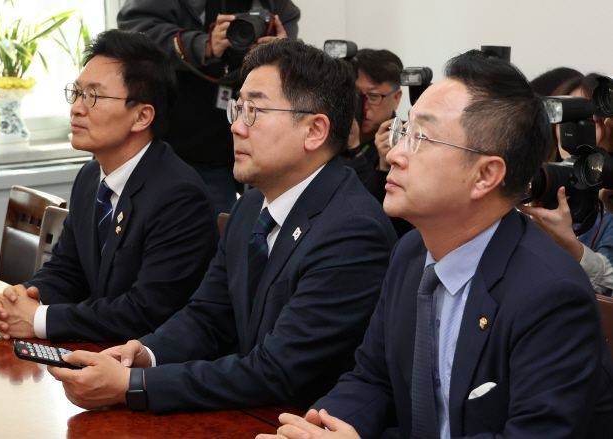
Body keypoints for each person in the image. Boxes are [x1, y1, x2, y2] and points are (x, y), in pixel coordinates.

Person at [258, 50, 613, 439]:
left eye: (420, 138)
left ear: (486, 175)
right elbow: (372, 378)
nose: (395, 154)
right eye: (403, 131)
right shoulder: (410, 253)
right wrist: (318, 429)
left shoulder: (550, 294)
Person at [47, 39, 397, 413]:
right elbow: (208, 316)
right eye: (237, 109)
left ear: (314, 130)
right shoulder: (250, 206)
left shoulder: (352, 232)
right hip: (246, 412)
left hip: (299, 422)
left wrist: (134, 385)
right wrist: (146, 353)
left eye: (255, 111)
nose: (236, 128)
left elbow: (276, 371)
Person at [0, 30, 218, 342]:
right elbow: (68, 270)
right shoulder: (89, 177)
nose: (76, 108)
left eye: (93, 96)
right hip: (98, 351)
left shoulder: (179, 196)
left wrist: (39, 319)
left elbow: (145, 312)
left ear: (142, 116)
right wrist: (21, 300)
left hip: (146, 362)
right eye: (76, 93)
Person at [117, 0, 301, 215]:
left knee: (224, 228)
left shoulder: (278, 6)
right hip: (166, 146)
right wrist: (202, 45)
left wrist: (280, 54)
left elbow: (292, 57)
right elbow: (133, 31)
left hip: (229, 154)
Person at [521, 73, 613, 295]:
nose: (573, 132)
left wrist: (571, 247)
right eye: (565, 122)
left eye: (590, 123)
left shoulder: (607, 207)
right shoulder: (538, 182)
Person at [341, 49, 412, 237]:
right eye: (356, 95)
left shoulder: (407, 141)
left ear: (396, 98)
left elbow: (378, 217)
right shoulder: (333, 134)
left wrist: (381, 165)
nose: (363, 106)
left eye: (373, 97)